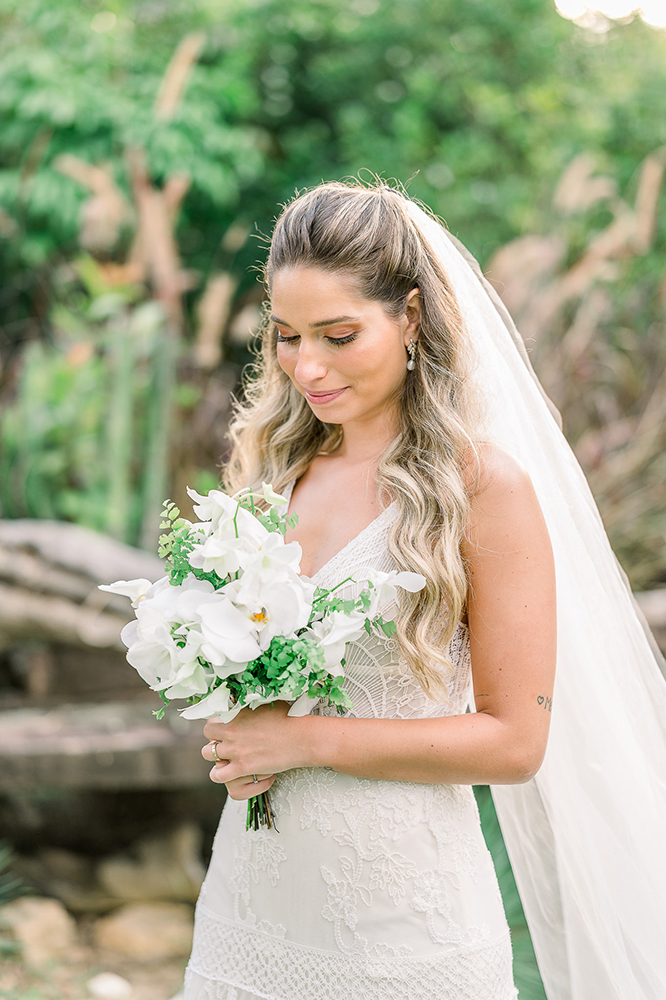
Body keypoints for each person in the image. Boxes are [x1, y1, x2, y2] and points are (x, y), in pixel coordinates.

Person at [183, 182, 666, 1000]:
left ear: (410, 317)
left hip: (404, 932)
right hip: (251, 907)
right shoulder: (272, 471)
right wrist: (235, 728)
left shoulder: (482, 489)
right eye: (288, 336)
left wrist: (306, 743)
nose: (307, 366)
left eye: (339, 335)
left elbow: (516, 743)